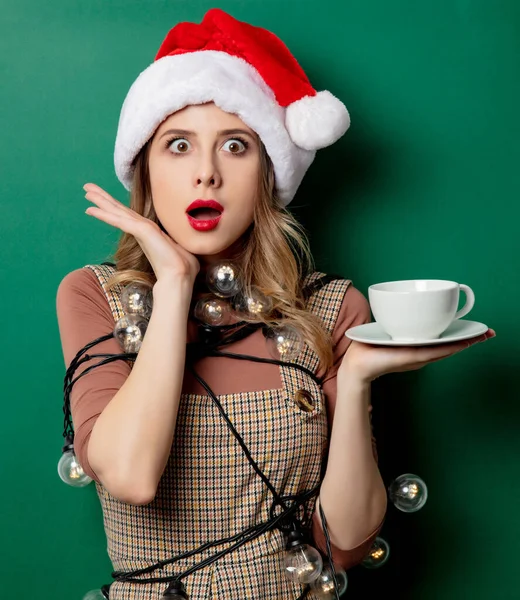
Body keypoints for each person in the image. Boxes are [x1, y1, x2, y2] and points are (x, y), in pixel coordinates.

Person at [55, 8, 495, 600]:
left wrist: (359, 375)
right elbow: (131, 476)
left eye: (235, 146)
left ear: (267, 170)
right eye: (178, 145)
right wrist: (176, 281)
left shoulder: (334, 309)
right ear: (146, 170)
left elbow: (346, 543)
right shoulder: (95, 296)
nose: (206, 174)